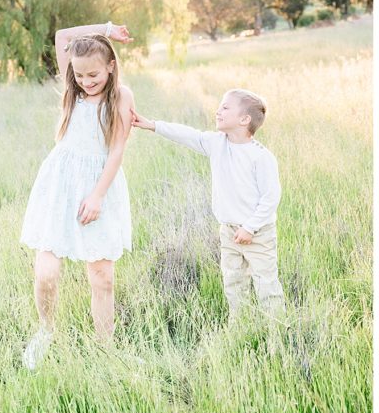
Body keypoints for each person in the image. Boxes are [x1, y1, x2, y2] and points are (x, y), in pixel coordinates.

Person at [19, 21, 136, 369]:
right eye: (80, 75)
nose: (86, 81)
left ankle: (105, 349)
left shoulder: (121, 96)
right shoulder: (73, 92)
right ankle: (46, 331)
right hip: (60, 185)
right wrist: (106, 28)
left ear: (111, 66)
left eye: (94, 75)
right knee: (47, 272)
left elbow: (116, 151)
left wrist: (98, 195)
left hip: (101, 184)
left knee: (102, 275)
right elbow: (62, 37)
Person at [132, 89, 284, 318]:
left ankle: (277, 330)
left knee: (266, 283)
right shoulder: (217, 143)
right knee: (233, 281)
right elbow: (187, 134)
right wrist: (153, 125)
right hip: (229, 231)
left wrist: (250, 227)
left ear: (244, 120)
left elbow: (271, 198)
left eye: (225, 107)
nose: (218, 111)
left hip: (257, 232)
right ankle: (240, 325)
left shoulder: (261, 157)